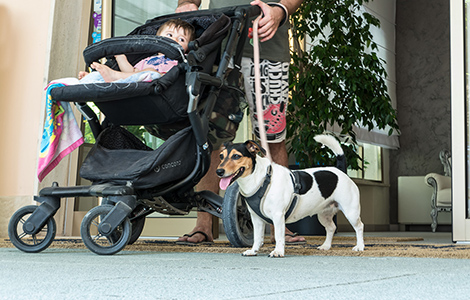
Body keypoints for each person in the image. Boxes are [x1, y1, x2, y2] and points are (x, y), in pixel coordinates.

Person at [175, 0, 306, 245]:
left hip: (269, 50)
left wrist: (281, 10)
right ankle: (203, 225)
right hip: (218, 49)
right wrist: (187, 4)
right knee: (210, 138)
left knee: (272, 139)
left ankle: (279, 227)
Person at [78, 19, 195, 83]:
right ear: (157, 38)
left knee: (151, 72)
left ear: (187, 47)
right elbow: (132, 71)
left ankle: (114, 76)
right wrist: (120, 57)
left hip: (162, 85)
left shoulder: (183, 59)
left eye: (181, 39)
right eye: (169, 35)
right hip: (135, 84)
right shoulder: (148, 59)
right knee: (138, 72)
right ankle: (93, 79)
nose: (174, 40)